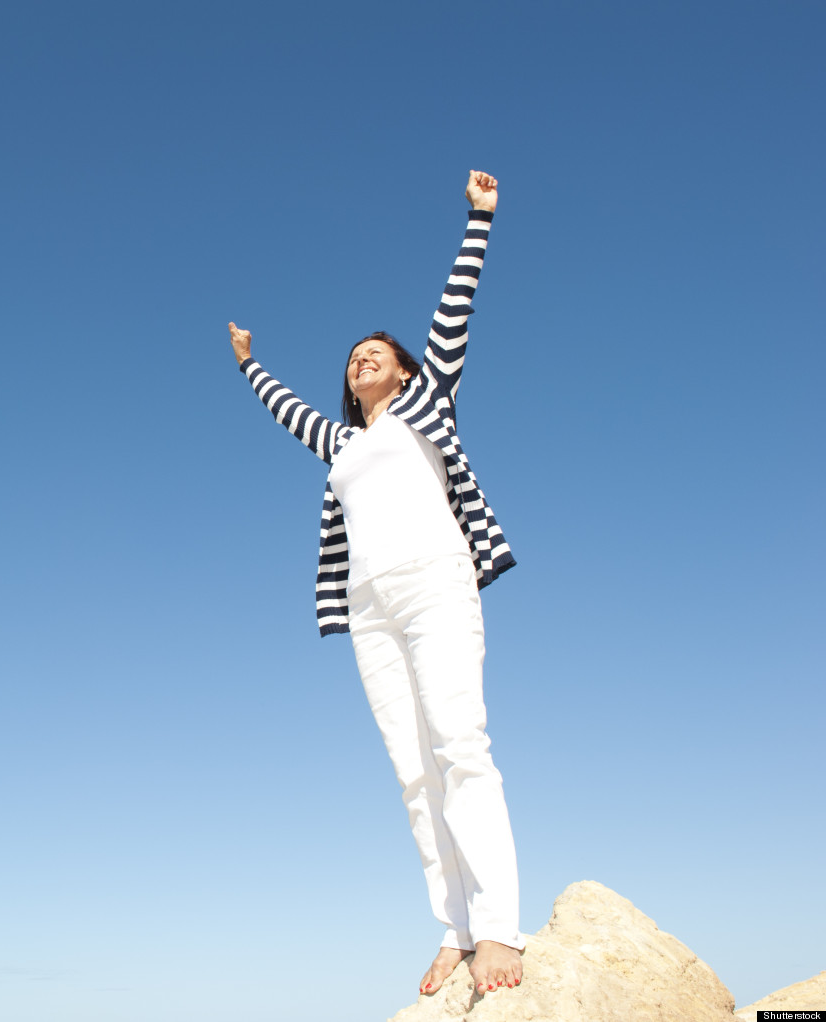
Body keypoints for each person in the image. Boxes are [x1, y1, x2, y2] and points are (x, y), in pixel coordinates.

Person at [227, 171, 524, 997]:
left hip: (435, 583)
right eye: (354, 357)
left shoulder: (427, 404)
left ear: (402, 373)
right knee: (413, 771)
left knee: (461, 747)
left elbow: (453, 314)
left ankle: (499, 927)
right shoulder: (340, 444)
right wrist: (249, 364)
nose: (362, 360)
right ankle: (453, 928)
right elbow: (286, 409)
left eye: (377, 355)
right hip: (369, 608)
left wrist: (479, 220)